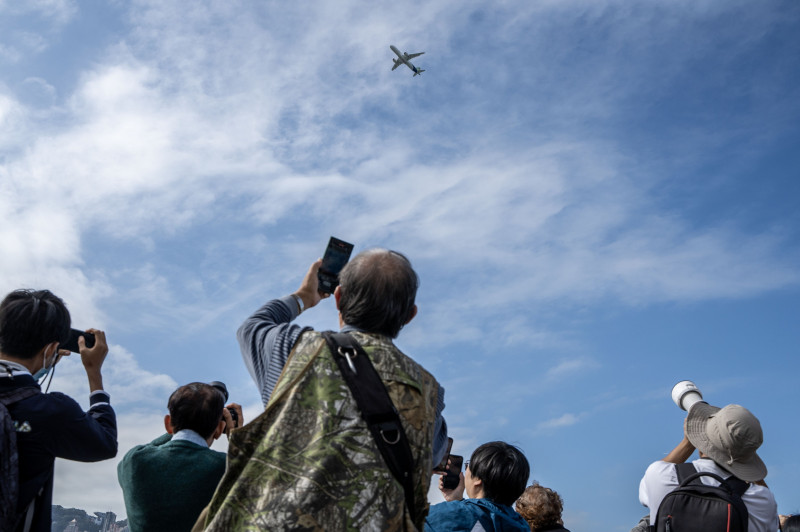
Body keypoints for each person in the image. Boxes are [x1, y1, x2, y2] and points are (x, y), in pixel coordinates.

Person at [198, 249, 447, 531]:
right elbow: (432, 458)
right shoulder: (429, 392)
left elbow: (251, 328)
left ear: (338, 298)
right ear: (409, 316)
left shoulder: (293, 348)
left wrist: (305, 296)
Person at [0, 289, 117, 532]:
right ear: (53, 347)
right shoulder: (50, 412)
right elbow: (104, 443)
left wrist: (40, 364)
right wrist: (94, 374)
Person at [117, 382, 242, 532]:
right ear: (219, 429)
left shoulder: (132, 461)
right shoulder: (228, 468)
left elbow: (151, 449)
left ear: (168, 423)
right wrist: (238, 440)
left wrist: (187, 417)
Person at [639, 402, 779, 532]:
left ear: (702, 440)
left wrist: (688, 442)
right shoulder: (763, 501)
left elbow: (658, 469)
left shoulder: (660, 475)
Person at [425, 441, 531, 532]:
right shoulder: (522, 525)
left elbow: (411, 519)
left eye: (467, 466)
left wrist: (423, 473)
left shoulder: (451, 514)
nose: (465, 471)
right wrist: (456, 500)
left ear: (478, 479)